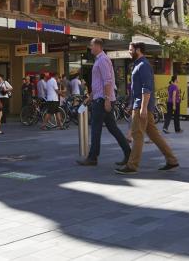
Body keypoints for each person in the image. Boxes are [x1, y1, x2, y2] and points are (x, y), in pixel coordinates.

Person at [116, 42, 179, 174]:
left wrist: (143, 107)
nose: (129, 52)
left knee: (137, 135)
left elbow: (147, 87)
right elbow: (136, 89)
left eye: (130, 50)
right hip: (139, 104)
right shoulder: (138, 64)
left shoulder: (143, 65)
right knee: (154, 135)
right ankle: (172, 160)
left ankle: (132, 165)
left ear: (138, 50)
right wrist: (131, 104)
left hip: (141, 106)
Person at [77, 38, 131, 167]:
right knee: (112, 128)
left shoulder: (103, 60)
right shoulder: (100, 60)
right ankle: (128, 153)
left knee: (96, 128)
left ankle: (93, 157)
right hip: (100, 98)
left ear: (97, 46)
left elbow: (108, 81)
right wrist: (90, 98)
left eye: (91, 45)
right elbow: (99, 84)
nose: (90, 48)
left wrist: (107, 99)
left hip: (102, 100)